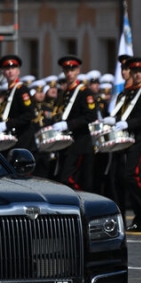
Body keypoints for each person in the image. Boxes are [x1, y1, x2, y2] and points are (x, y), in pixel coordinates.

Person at [102, 56, 141, 232]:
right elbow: (124, 114)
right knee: (128, 178)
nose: (136, 74)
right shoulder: (126, 92)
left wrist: (128, 124)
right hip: (128, 139)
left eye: (140, 71)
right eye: (134, 71)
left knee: (131, 175)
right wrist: (113, 119)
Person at [49, 56, 97, 192]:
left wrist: (68, 125)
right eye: (66, 70)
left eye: (72, 69)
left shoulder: (84, 92)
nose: (69, 73)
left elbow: (91, 116)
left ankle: (84, 199)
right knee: (63, 179)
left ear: (78, 71)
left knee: (68, 179)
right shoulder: (64, 94)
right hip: (67, 144)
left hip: (80, 143)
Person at [0, 55, 37, 154]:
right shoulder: (10, 90)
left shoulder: (21, 90)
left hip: (23, 140)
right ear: (3, 73)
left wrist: (7, 124)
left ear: (18, 71)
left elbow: (29, 114)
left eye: (13, 68)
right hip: (14, 139)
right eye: (7, 68)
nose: (10, 71)